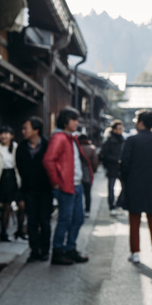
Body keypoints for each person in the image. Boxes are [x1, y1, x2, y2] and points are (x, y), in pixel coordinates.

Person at [42, 107, 93, 266]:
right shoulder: (59, 138)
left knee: (77, 218)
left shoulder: (70, 137)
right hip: (66, 186)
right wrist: (56, 182)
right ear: (66, 121)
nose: (77, 122)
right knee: (65, 219)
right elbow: (48, 160)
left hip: (75, 185)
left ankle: (70, 248)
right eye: (74, 119)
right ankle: (58, 251)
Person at [120, 109, 152, 264]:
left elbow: (124, 165)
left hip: (134, 185)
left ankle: (135, 253)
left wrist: (125, 182)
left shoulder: (131, 140)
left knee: (134, 220)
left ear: (141, 123)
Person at [15, 116, 52, 262]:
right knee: (31, 222)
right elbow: (19, 172)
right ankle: (34, 251)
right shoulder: (21, 147)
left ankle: (45, 250)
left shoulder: (47, 145)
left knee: (45, 222)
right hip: (29, 190)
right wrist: (20, 196)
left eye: (26, 128)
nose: (23, 131)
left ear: (36, 130)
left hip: (45, 190)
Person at [100, 120, 124, 215]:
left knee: (124, 187)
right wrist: (116, 160)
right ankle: (111, 206)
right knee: (111, 188)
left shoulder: (123, 140)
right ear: (114, 129)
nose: (121, 130)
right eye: (119, 128)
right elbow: (104, 155)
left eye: (121, 128)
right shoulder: (108, 141)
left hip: (121, 167)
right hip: (112, 167)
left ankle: (118, 204)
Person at [78, 134, 99, 217]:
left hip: (77, 174)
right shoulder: (91, 148)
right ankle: (87, 210)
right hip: (87, 173)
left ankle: (78, 210)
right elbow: (95, 162)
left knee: (78, 194)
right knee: (87, 193)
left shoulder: (77, 147)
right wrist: (93, 170)